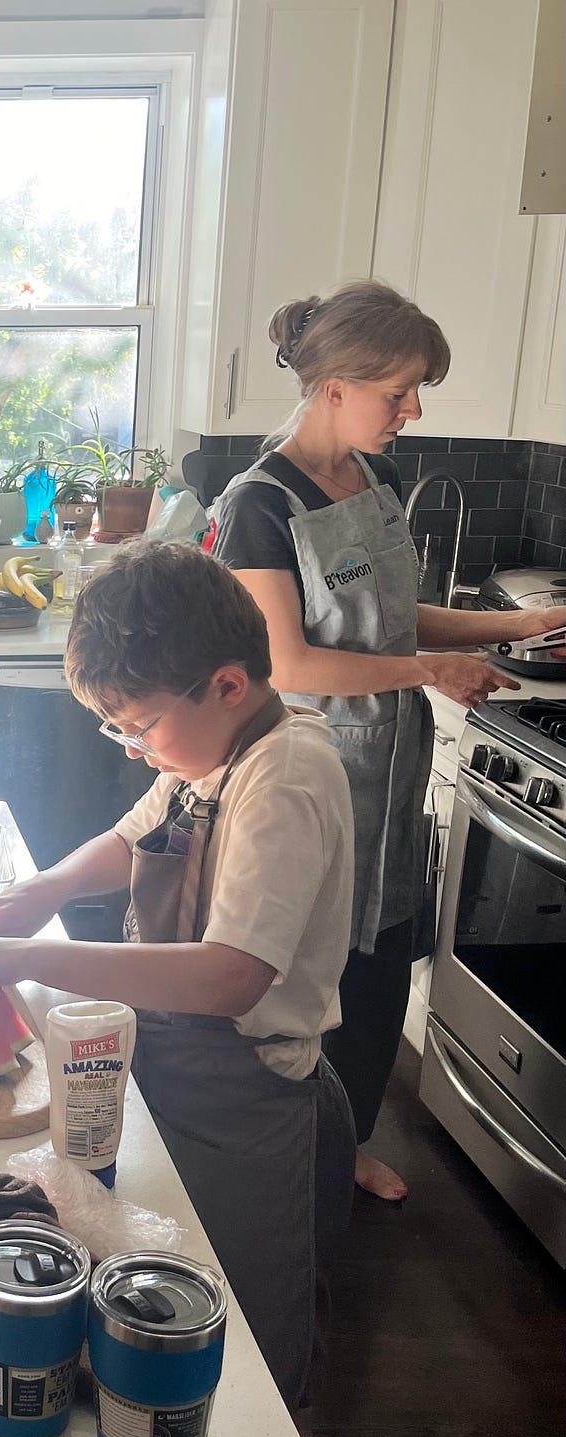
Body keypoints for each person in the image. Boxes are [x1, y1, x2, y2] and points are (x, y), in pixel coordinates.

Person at [0, 541, 356, 1414]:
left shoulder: (286, 775)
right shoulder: (206, 754)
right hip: (170, 1065)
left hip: (248, 1096)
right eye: (115, 727)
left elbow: (231, 976)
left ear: (227, 685)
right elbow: (128, 839)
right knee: (163, 1280)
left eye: (139, 725)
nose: (131, 748)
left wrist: (28, 959)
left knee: (244, 1331)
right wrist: (48, 888)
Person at [210, 281, 566, 1202]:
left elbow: (393, 621)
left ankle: (346, 1142)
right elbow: (288, 659)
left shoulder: (379, 477)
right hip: (312, 771)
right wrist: (424, 674)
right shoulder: (260, 502)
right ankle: (273, 1154)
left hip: (393, 771)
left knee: (373, 977)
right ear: (335, 386)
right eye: (400, 390)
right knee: (298, 974)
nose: (414, 410)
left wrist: (515, 630)